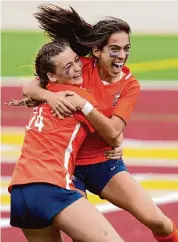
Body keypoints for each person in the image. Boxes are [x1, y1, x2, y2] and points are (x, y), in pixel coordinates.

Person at [22, 5, 178, 242]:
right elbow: (31, 86)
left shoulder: (129, 84)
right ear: (96, 51)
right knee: (85, 237)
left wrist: (86, 108)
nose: (122, 56)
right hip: (68, 168)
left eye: (126, 49)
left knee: (160, 222)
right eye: (114, 49)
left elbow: (114, 133)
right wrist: (50, 96)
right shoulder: (78, 68)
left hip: (104, 163)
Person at [9, 40, 126, 242]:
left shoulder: (42, 93)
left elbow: (30, 87)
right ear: (52, 75)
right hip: (51, 187)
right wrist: (117, 142)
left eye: (75, 61)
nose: (77, 68)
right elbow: (113, 134)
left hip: (20, 193)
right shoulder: (77, 96)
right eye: (68, 67)